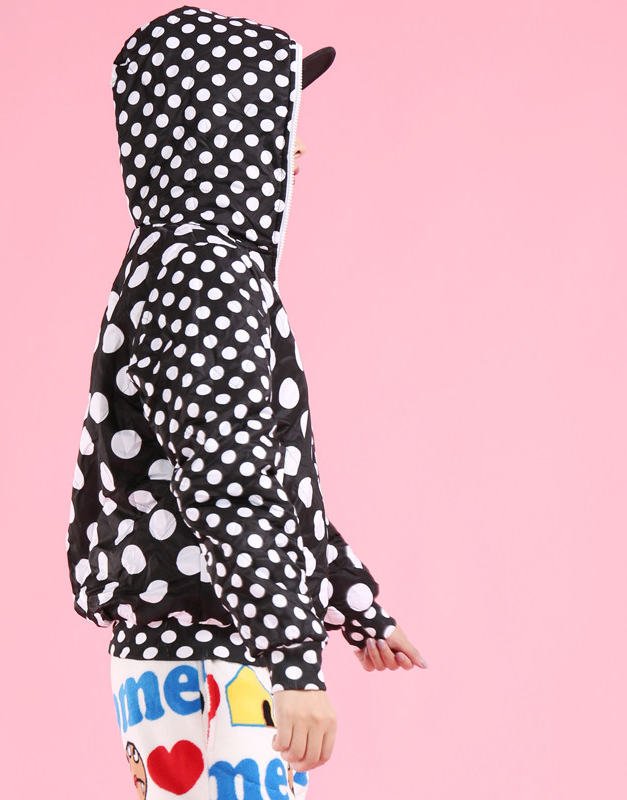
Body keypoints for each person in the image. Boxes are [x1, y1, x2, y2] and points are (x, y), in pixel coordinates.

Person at [65, 5, 427, 798]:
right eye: (275, 115)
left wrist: (354, 605)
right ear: (219, 131)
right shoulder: (207, 273)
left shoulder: (176, 261)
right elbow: (230, 481)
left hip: (198, 649)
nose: (296, 146)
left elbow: (257, 474)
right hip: (212, 658)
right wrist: (293, 661)